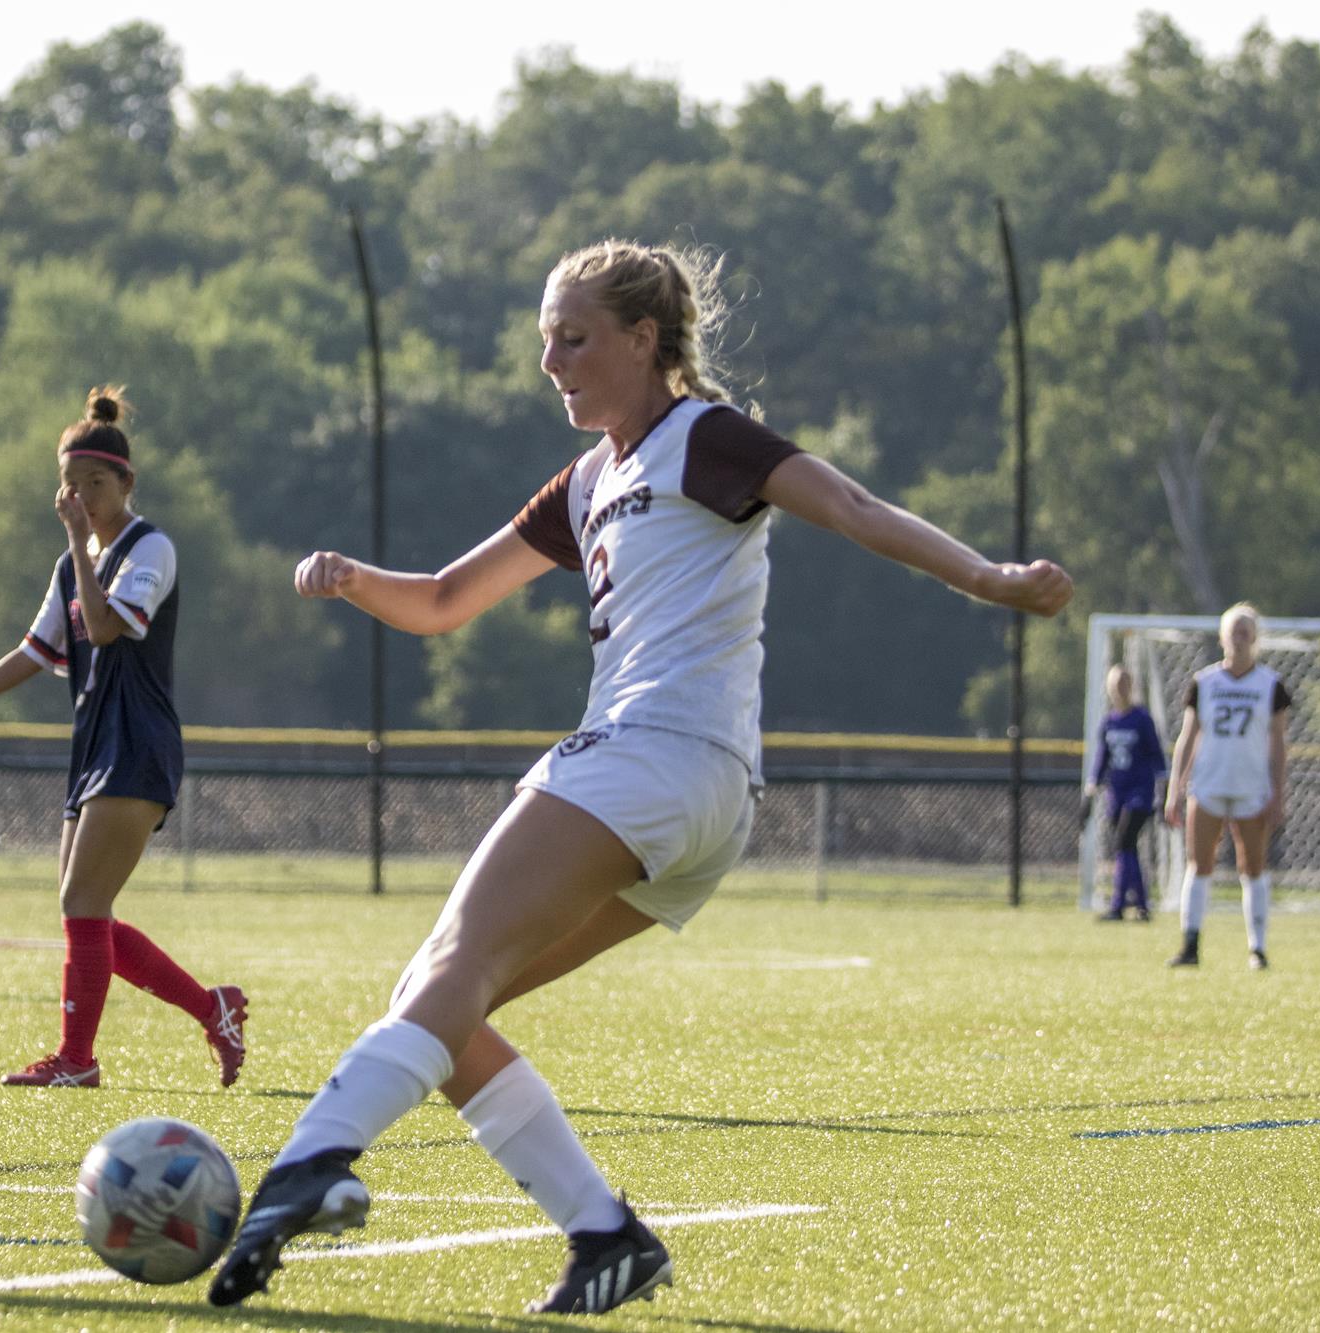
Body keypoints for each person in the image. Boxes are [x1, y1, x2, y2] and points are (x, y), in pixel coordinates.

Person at [206, 240, 1073, 1315]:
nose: (550, 360)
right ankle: (604, 1237)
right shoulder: (586, 480)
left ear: (642, 339)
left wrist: (988, 577)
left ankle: (306, 1164)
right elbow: (440, 601)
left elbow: (847, 504)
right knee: (442, 1012)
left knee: (446, 973)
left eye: (572, 338)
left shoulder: (697, 435)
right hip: (703, 797)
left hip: (652, 753)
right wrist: (349, 579)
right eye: (542, 340)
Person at [0, 388, 247, 1089]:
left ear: (126, 482)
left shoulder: (149, 546)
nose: (82, 495)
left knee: (81, 907)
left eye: (95, 482)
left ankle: (77, 1059)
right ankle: (212, 1007)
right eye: (70, 484)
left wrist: (76, 542)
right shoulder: (74, 564)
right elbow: (34, 651)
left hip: (138, 741)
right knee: (85, 912)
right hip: (95, 747)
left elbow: (101, 627)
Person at [1164, 603, 1290, 969]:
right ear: (1222, 637)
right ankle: (1190, 944)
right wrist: (1176, 787)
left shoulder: (1271, 685)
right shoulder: (1205, 682)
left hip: (1252, 785)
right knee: (1198, 864)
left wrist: (1278, 791)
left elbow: (1279, 743)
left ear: (1255, 639)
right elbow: (1188, 737)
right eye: (1234, 630)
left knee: (1253, 867)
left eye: (1246, 631)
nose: (1239, 637)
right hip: (1209, 783)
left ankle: (1258, 948)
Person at [1085, 664, 1166, 922]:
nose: (1120, 688)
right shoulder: (1109, 721)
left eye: (1124, 683)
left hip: (1139, 792)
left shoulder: (1141, 718)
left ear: (1131, 686)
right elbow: (1102, 757)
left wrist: (1164, 792)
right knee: (1125, 848)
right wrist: (1091, 789)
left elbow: (1157, 755)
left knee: (1124, 842)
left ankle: (1121, 904)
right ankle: (1139, 905)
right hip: (1116, 793)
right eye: (1115, 684)